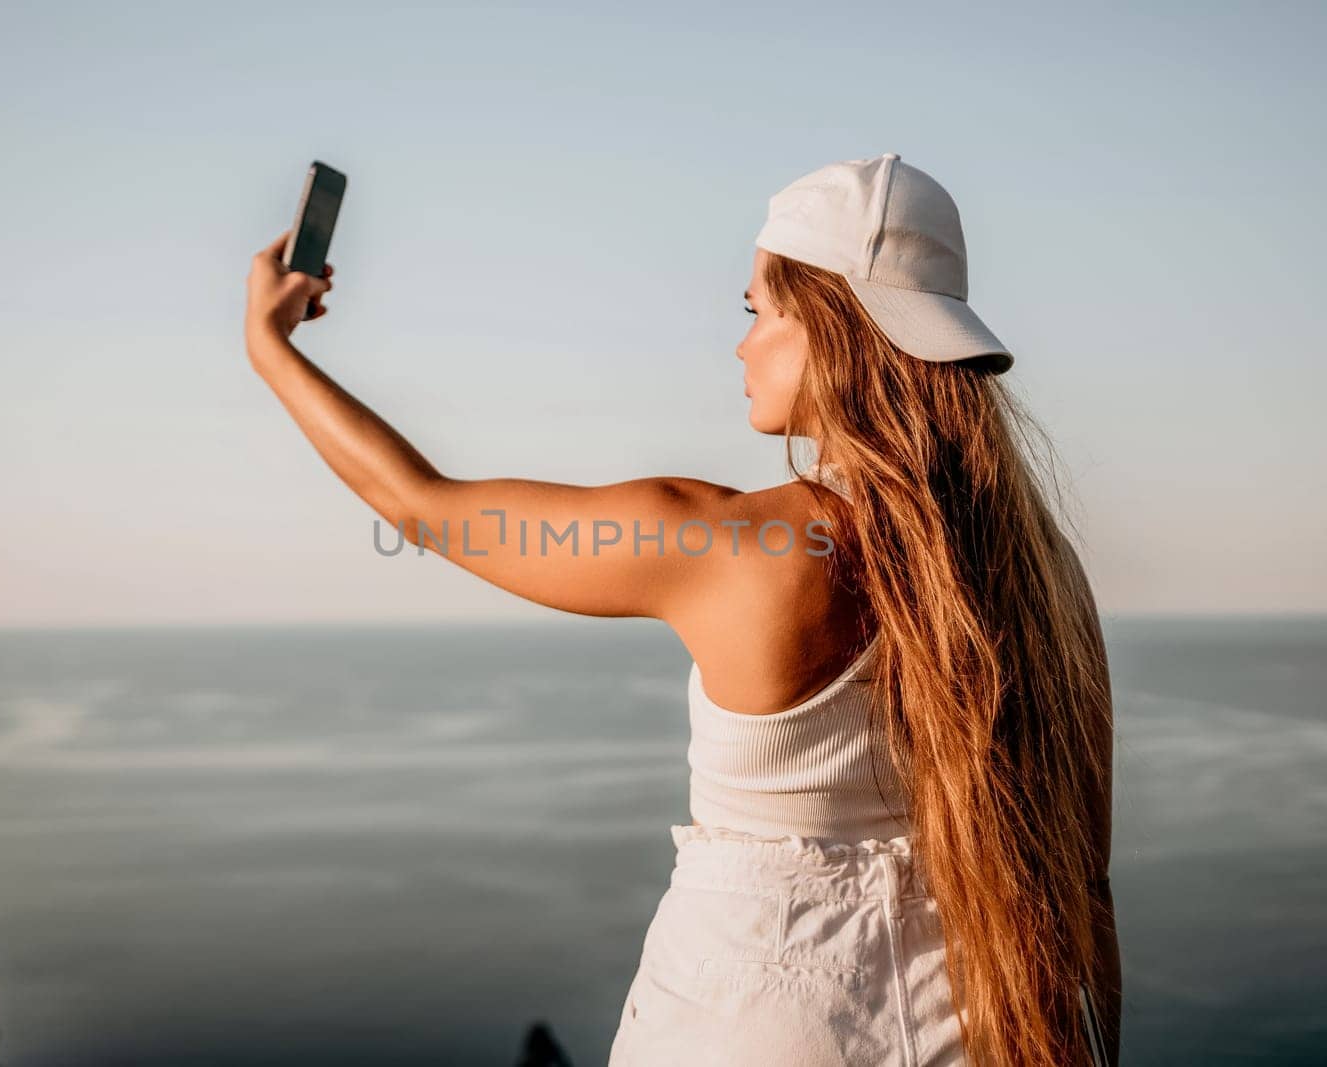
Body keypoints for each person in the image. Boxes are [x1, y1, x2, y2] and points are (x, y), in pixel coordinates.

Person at [244, 152, 1121, 1067]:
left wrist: (269, 343)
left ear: (828, 327)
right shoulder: (1043, 582)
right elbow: (1086, 891)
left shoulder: (730, 547)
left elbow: (421, 504)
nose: (741, 344)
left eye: (756, 311)